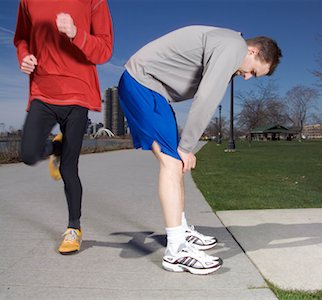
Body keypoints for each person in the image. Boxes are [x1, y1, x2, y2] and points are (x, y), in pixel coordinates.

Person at [118, 25, 282, 274]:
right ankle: (175, 252)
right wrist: (187, 147)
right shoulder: (233, 47)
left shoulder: (226, 45)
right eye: (253, 71)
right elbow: (206, 97)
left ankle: (180, 230)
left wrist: (185, 149)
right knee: (173, 162)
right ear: (252, 50)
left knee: (177, 165)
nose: (247, 77)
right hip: (142, 84)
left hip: (153, 90)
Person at [13, 0, 113, 255]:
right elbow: (21, 39)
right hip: (43, 92)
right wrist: (24, 56)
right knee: (28, 154)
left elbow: (104, 51)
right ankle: (56, 146)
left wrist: (76, 33)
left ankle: (73, 229)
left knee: (69, 167)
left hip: (78, 94)